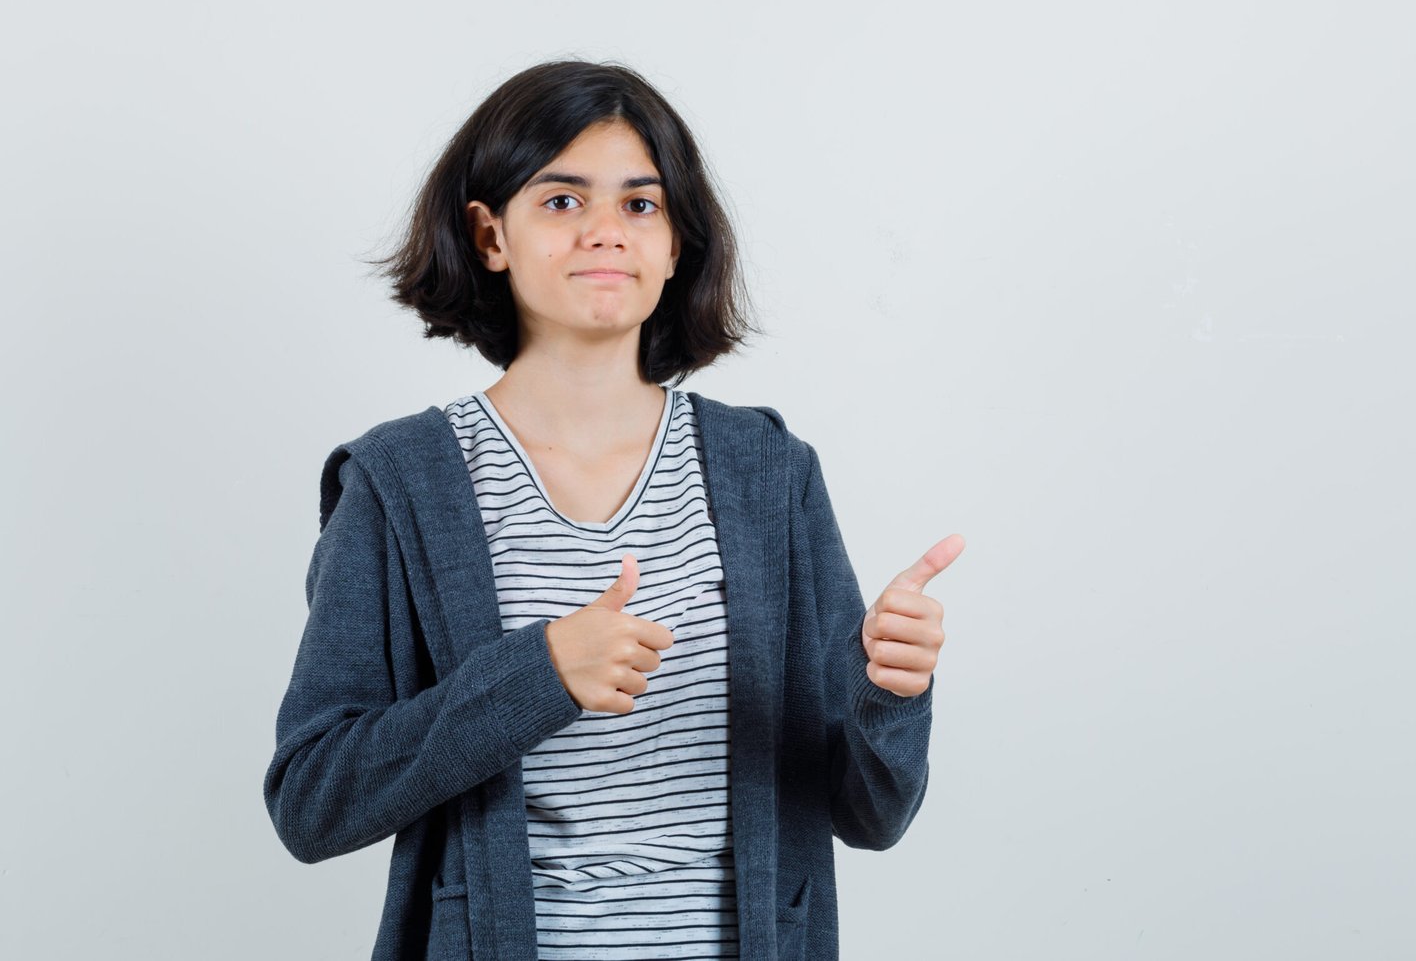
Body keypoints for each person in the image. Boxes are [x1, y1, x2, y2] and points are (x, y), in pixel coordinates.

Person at [263, 59, 962, 960]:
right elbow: (314, 801)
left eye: (641, 204)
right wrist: (538, 676)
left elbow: (868, 814)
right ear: (488, 235)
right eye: (561, 201)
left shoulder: (769, 474)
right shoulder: (400, 483)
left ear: (676, 244)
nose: (607, 231)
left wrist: (892, 693)